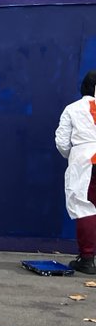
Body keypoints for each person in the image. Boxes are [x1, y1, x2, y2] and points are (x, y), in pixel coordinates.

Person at [54, 70, 96, 274]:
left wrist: (73, 156)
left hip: (86, 162)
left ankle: (87, 259)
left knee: (85, 207)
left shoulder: (72, 109)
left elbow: (62, 142)